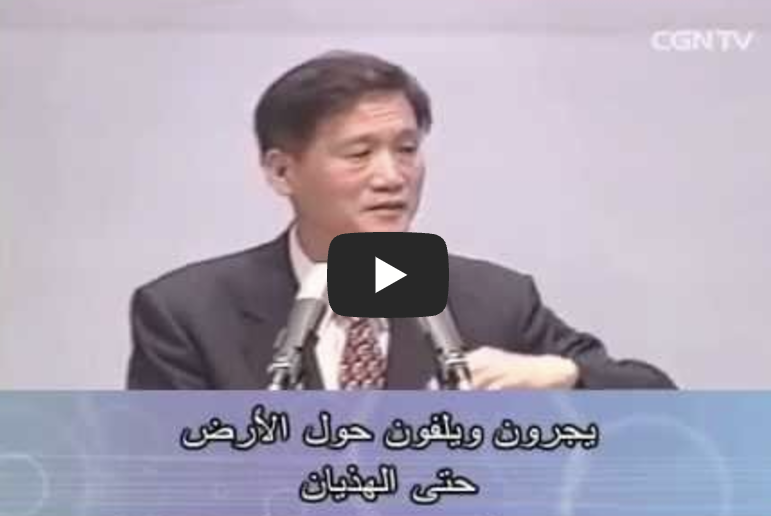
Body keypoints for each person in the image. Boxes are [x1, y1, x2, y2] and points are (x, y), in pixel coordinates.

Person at [127, 50, 675, 390]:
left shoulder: (493, 301)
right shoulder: (189, 314)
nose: (392, 177)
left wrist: (564, 374)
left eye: (407, 149)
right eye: (359, 154)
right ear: (282, 171)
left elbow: (654, 401)